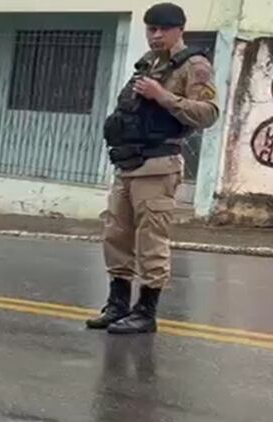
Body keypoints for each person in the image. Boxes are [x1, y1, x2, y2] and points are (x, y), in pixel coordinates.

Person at [88, 2, 219, 334]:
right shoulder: (148, 63)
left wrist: (163, 96)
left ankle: (145, 311)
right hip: (129, 163)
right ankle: (117, 304)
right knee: (116, 234)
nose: (156, 35)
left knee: (151, 240)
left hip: (159, 166)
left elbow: (208, 113)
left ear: (179, 29)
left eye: (163, 29)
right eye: (151, 29)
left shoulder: (195, 66)